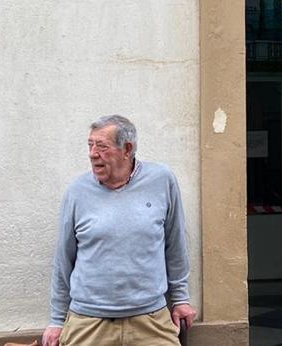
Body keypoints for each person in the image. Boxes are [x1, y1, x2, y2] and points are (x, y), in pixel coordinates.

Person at [43, 115, 197, 346]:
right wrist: (56, 320)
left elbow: (175, 246)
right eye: (90, 145)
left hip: (151, 321)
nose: (93, 153)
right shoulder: (77, 191)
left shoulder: (162, 180)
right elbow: (63, 261)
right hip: (88, 322)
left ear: (127, 149)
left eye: (102, 146)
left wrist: (181, 299)